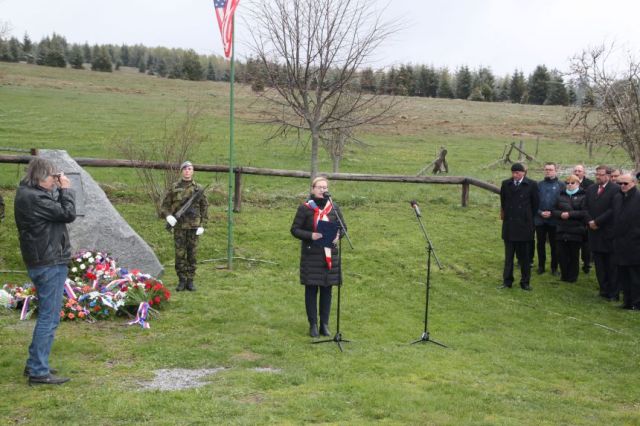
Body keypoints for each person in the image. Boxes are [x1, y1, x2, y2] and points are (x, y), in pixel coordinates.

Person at [14, 158, 76, 385]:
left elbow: (58, 212)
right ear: (40, 177)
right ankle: (39, 371)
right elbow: (67, 213)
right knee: (49, 318)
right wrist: (66, 190)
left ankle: (34, 364)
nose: (56, 181)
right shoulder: (35, 198)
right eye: (53, 177)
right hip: (48, 262)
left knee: (47, 317)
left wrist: (58, 189)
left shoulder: (28, 193)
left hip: (42, 260)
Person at [290, 177, 345, 337]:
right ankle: (313, 324)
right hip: (312, 255)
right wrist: (311, 235)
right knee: (312, 290)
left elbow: (343, 228)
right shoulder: (305, 208)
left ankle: (325, 325)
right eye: (319, 187)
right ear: (313, 189)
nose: (323, 190)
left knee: (327, 290)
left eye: (325, 187)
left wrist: (337, 236)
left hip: (329, 256)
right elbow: (294, 230)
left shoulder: (334, 208)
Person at [161, 161, 208, 292]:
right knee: (180, 254)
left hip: (194, 227)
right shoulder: (174, 187)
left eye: (190, 169)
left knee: (192, 254)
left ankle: (190, 281)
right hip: (179, 227)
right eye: (185, 169)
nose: (187, 171)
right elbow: (164, 206)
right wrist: (168, 216)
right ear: (181, 171)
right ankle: (182, 280)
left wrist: (203, 225)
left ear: (193, 171)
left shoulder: (198, 189)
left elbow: (205, 207)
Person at [499, 163, 539, 291]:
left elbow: (535, 204)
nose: (515, 175)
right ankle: (507, 281)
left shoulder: (532, 185)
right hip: (510, 226)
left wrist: (527, 219)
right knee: (508, 257)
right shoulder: (506, 184)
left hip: (524, 226)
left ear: (523, 173)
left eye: (517, 173)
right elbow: (503, 201)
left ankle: (525, 282)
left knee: (524, 258)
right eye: (513, 172)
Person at [584, 166, 619, 300]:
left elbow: (612, 210)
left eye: (601, 174)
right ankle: (603, 290)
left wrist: (597, 222)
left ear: (608, 176)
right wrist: (590, 221)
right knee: (599, 264)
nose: (598, 177)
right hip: (594, 233)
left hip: (608, 232)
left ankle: (613, 292)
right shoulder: (591, 188)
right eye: (596, 174)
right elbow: (585, 207)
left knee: (611, 265)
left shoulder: (615, 190)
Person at [612, 173, 640, 310]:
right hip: (619, 243)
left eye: (625, 183)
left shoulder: (638, 198)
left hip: (635, 244)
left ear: (634, 183)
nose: (622, 186)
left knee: (635, 276)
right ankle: (627, 301)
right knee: (623, 274)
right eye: (620, 183)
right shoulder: (618, 198)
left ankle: (636, 302)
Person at [552, 175, 587, 283]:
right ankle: (564, 275)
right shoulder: (560, 195)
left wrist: (570, 214)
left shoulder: (584, 196)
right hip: (561, 229)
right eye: (568, 183)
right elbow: (553, 210)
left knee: (573, 255)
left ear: (578, 184)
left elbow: (584, 212)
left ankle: (572, 277)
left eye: (572, 183)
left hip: (576, 230)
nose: (570, 185)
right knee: (561, 254)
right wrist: (561, 214)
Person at [534, 162, 564, 275]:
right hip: (540, 219)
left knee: (554, 245)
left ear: (555, 170)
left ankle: (554, 268)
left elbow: (563, 202)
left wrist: (552, 213)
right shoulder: (538, 185)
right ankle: (541, 266)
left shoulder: (561, 185)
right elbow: (534, 201)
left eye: (550, 169)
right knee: (540, 243)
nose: (548, 171)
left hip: (554, 219)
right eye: (546, 169)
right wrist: (540, 212)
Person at [573, 164, 593, 274]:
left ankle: (586, 264)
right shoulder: (569, 182)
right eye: (575, 170)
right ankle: (574, 264)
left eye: (579, 171)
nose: (577, 172)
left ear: (583, 173)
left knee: (586, 244)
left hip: (585, 217)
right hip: (573, 217)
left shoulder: (590, 184)